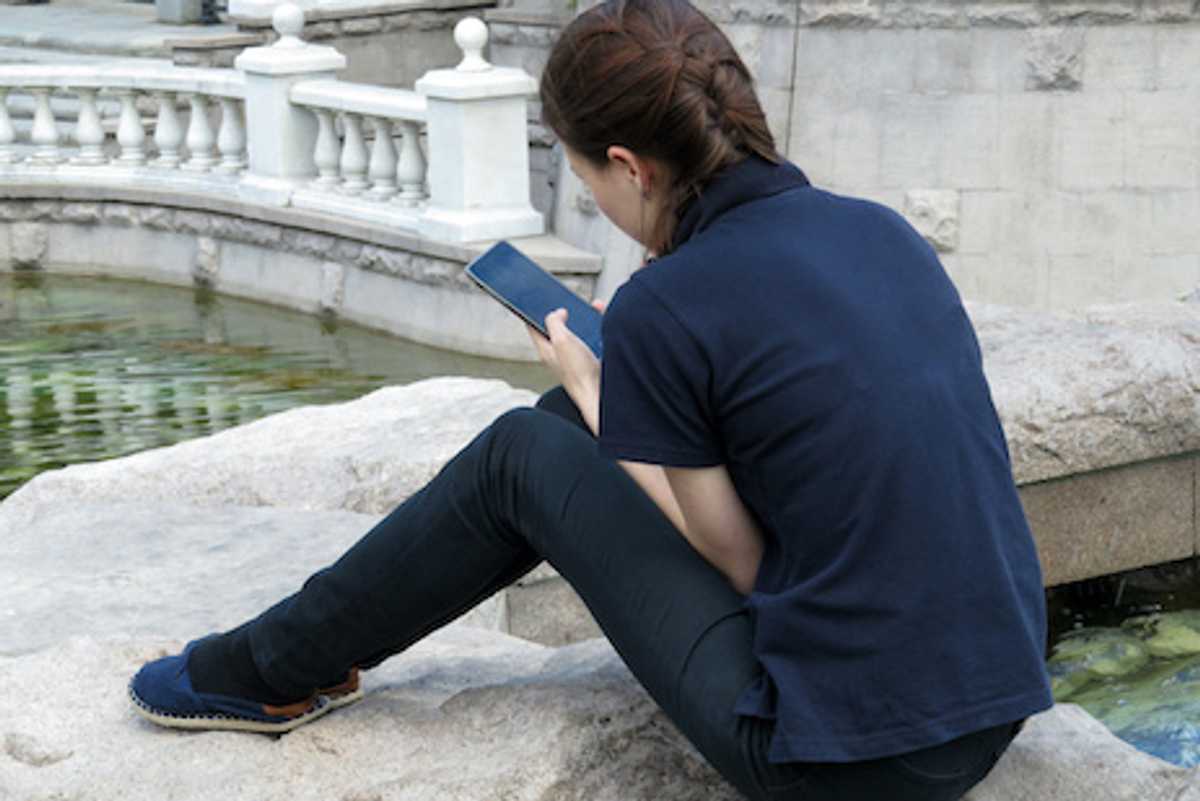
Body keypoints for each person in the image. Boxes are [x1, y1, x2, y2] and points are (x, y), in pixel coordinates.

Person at [128, 2, 1054, 799]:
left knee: (521, 452)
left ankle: (269, 670)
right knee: (565, 422)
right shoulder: (880, 231)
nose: (596, 199)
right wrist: (628, 388)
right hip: (994, 702)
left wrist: (603, 392)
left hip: (846, 762)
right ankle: (305, 651)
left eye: (585, 180)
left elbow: (736, 562)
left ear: (629, 164)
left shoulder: (667, 304)